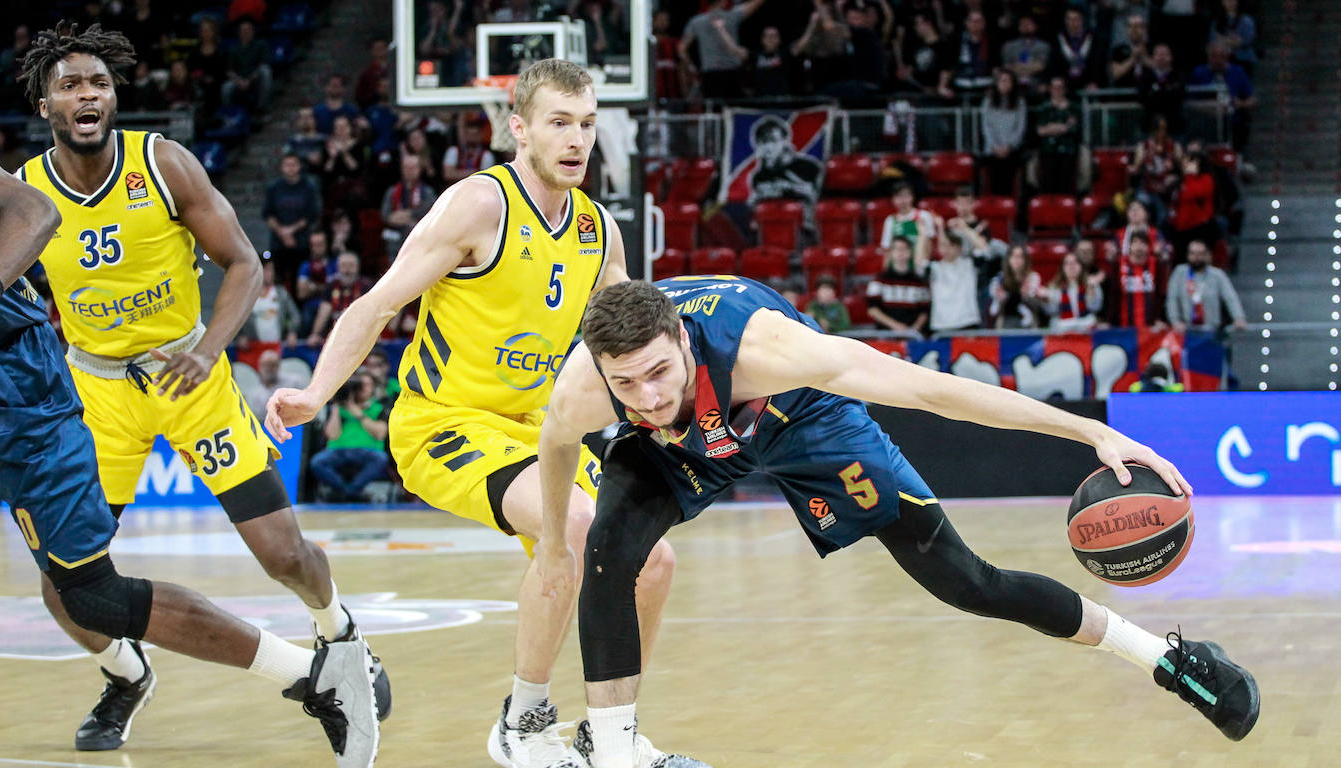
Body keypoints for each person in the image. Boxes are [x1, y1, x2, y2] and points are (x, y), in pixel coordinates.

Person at [533, 277, 1259, 767]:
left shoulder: (775, 352)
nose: (646, 394)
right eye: (625, 383)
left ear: (685, 344)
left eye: (659, 372)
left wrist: (1091, 434)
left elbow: (936, 392)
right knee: (605, 550)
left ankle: (1164, 658)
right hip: (691, 446)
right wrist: (556, 545)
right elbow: (558, 443)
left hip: (801, 421)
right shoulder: (591, 389)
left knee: (967, 582)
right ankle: (614, 750)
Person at [264, 59, 678, 768]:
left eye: (586, 124)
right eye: (558, 123)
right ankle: (521, 723)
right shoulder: (479, 206)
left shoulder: (596, 229)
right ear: (518, 128)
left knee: (652, 559)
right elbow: (379, 301)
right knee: (573, 526)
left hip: (536, 432)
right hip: (442, 423)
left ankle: (610, 733)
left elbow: (634, 334)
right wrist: (318, 392)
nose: (576, 139)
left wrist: (683, 409)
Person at [15, 23, 388, 751]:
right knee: (66, 586)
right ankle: (128, 674)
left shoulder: (163, 163)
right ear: (43, 106)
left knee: (285, 556)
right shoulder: (24, 193)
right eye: (70, 85)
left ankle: (341, 634)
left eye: (99, 82)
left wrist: (208, 349)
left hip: (193, 376)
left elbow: (244, 263)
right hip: (98, 394)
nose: (88, 93)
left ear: (115, 96)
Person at [311, 372, 391, 502]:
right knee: (318, 462)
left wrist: (355, 410)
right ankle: (350, 492)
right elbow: (332, 435)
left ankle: (348, 492)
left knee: (381, 459)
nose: (363, 388)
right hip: (339, 450)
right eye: (360, 385)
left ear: (373, 388)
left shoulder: (379, 407)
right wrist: (337, 405)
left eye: (367, 385)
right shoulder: (338, 408)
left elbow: (380, 434)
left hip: (368, 450)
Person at [679, 0, 769, 100]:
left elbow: (682, 49)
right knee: (735, 111)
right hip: (733, 74)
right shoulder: (732, 16)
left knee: (715, 112)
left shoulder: (696, 21)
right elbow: (755, 3)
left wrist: (691, 67)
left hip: (711, 75)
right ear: (723, 2)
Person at [1165, 239, 1246, 335]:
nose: (1196, 257)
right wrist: (1175, 321)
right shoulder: (1179, 273)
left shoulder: (1217, 275)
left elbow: (1230, 297)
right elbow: (1172, 299)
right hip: (1184, 331)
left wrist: (1238, 317)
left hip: (1212, 330)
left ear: (1207, 255)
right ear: (1188, 255)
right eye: (1193, 253)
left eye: (1200, 254)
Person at [746, 114, 823, 205]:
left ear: (785, 141)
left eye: (774, 140)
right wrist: (753, 202)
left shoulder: (810, 167)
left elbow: (825, 204)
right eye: (763, 142)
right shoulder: (758, 177)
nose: (768, 147)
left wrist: (809, 193)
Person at [1104, 230, 1167, 330]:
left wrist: (1160, 319)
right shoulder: (1119, 264)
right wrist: (1108, 321)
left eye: (1143, 243)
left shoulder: (1156, 265)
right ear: (1129, 246)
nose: (1139, 246)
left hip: (1151, 328)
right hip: (1123, 326)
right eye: (1135, 242)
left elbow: (1161, 294)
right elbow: (1113, 295)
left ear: (1148, 247)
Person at [866, 238, 930, 335]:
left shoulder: (919, 282)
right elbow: (872, 309)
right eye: (897, 249)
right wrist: (895, 325)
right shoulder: (879, 280)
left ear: (910, 252)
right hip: (885, 337)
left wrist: (914, 330)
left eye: (904, 248)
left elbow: (925, 311)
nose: (901, 252)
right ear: (891, 253)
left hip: (913, 337)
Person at [979, 67, 1025, 196]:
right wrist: (995, 146)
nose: (1005, 84)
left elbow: (1020, 128)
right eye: (1002, 81)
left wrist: (1008, 146)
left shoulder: (1019, 103)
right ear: (997, 83)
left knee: (1009, 180)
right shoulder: (988, 101)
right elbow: (986, 127)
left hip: (1011, 150)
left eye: (1008, 81)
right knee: (993, 180)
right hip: (992, 150)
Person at [1043, 250, 1104, 332]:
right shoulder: (1054, 287)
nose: (1071, 266)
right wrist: (1046, 298)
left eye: (1075, 262)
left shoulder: (1090, 282)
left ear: (1081, 266)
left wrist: (1091, 289)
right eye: (1067, 263)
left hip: (1085, 329)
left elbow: (1095, 308)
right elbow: (1051, 311)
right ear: (1062, 268)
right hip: (1062, 330)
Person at [987, 244, 1043, 328]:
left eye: (1020, 256)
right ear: (1008, 259)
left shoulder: (1033, 278)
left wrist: (1028, 296)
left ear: (1026, 260)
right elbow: (993, 312)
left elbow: (1039, 307)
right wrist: (999, 300)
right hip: (1007, 326)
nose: (1017, 259)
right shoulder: (998, 280)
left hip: (1029, 327)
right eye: (1014, 256)